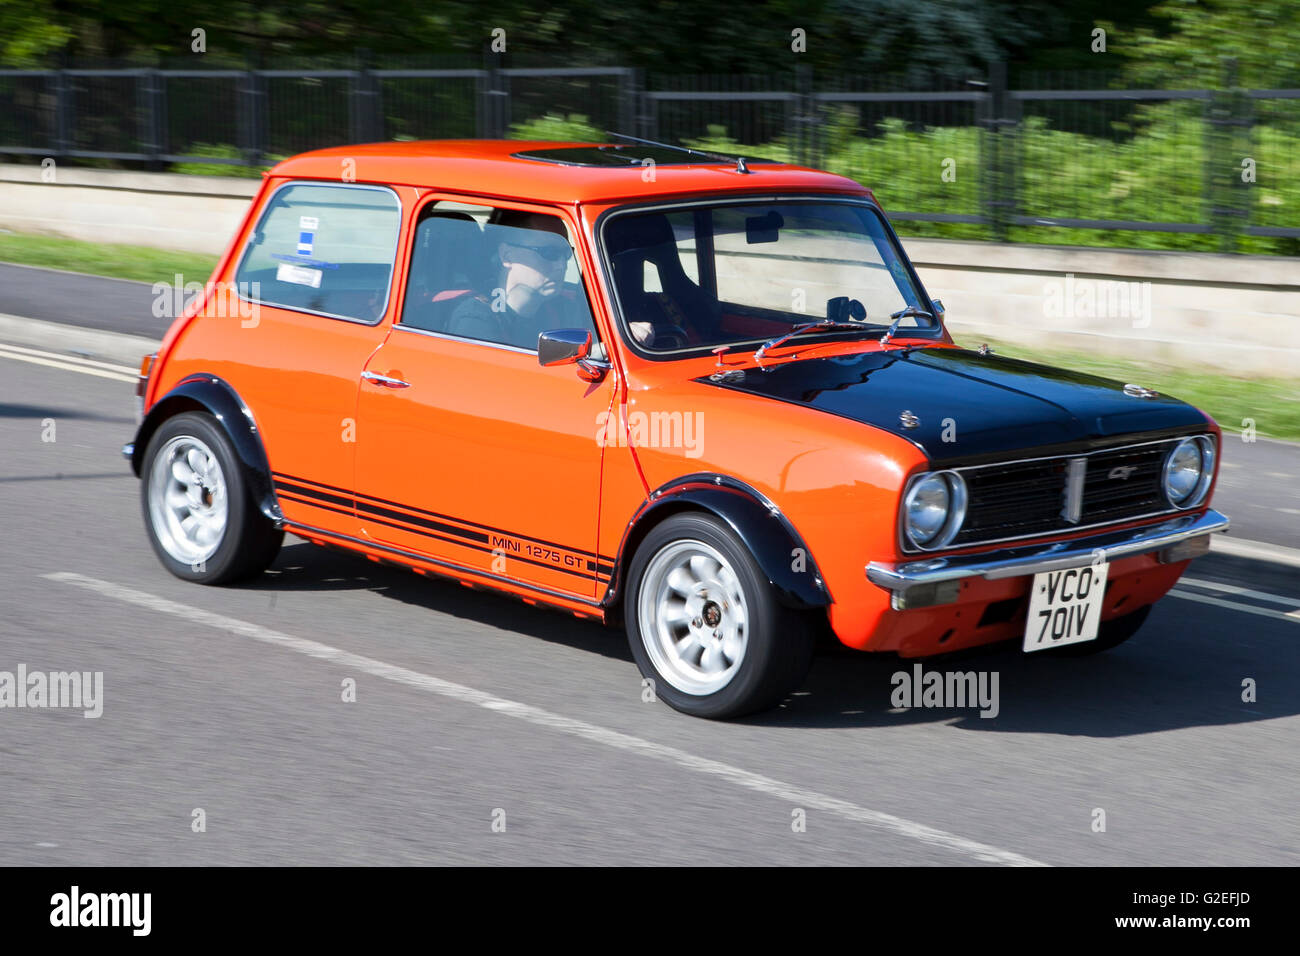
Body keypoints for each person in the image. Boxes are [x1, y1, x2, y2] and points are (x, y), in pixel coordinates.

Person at [448, 211, 588, 350]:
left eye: (566, 254)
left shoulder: (565, 308)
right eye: (549, 252)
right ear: (507, 256)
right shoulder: (475, 320)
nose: (562, 265)